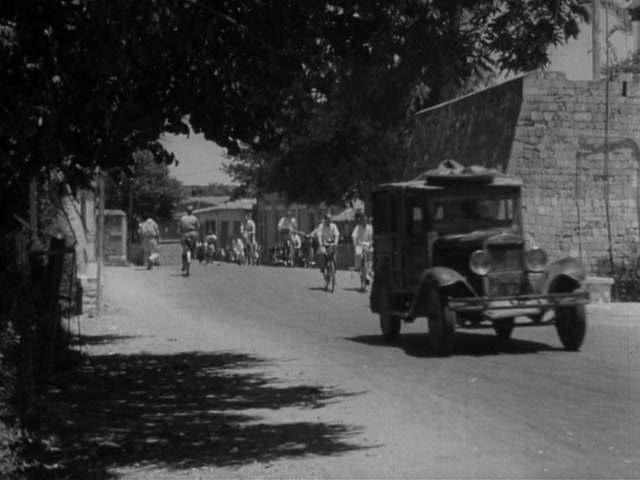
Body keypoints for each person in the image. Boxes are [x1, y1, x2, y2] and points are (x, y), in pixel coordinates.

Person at [351, 211, 374, 287]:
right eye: (363, 220)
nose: (364, 221)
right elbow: (354, 236)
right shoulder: (357, 227)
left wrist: (370, 243)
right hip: (359, 245)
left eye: (366, 220)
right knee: (358, 254)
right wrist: (355, 243)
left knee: (370, 258)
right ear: (361, 220)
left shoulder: (370, 227)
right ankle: (357, 267)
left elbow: (371, 237)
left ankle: (369, 272)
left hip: (368, 245)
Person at [178, 206, 199, 272]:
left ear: (186, 211)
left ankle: (184, 264)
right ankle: (192, 253)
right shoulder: (195, 218)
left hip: (185, 234)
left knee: (184, 249)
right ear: (192, 211)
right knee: (193, 245)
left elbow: (179, 227)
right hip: (193, 234)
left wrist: (180, 233)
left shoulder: (182, 218)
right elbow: (198, 227)